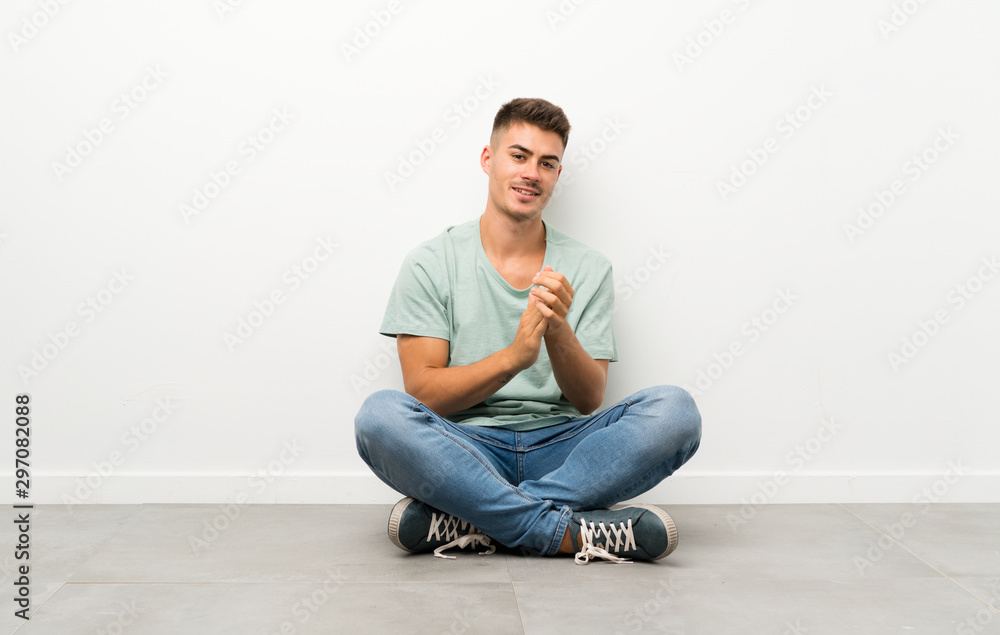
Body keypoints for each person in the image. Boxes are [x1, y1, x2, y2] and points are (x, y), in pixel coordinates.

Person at [355, 98, 701, 564]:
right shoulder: (430, 262)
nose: (531, 173)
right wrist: (516, 357)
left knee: (676, 412)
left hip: (562, 448)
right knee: (380, 417)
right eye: (518, 156)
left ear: (557, 175)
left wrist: (557, 331)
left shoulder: (589, 267)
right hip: (467, 447)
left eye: (547, 163)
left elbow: (588, 399)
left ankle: (476, 520)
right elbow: (424, 391)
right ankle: (563, 531)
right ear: (488, 159)